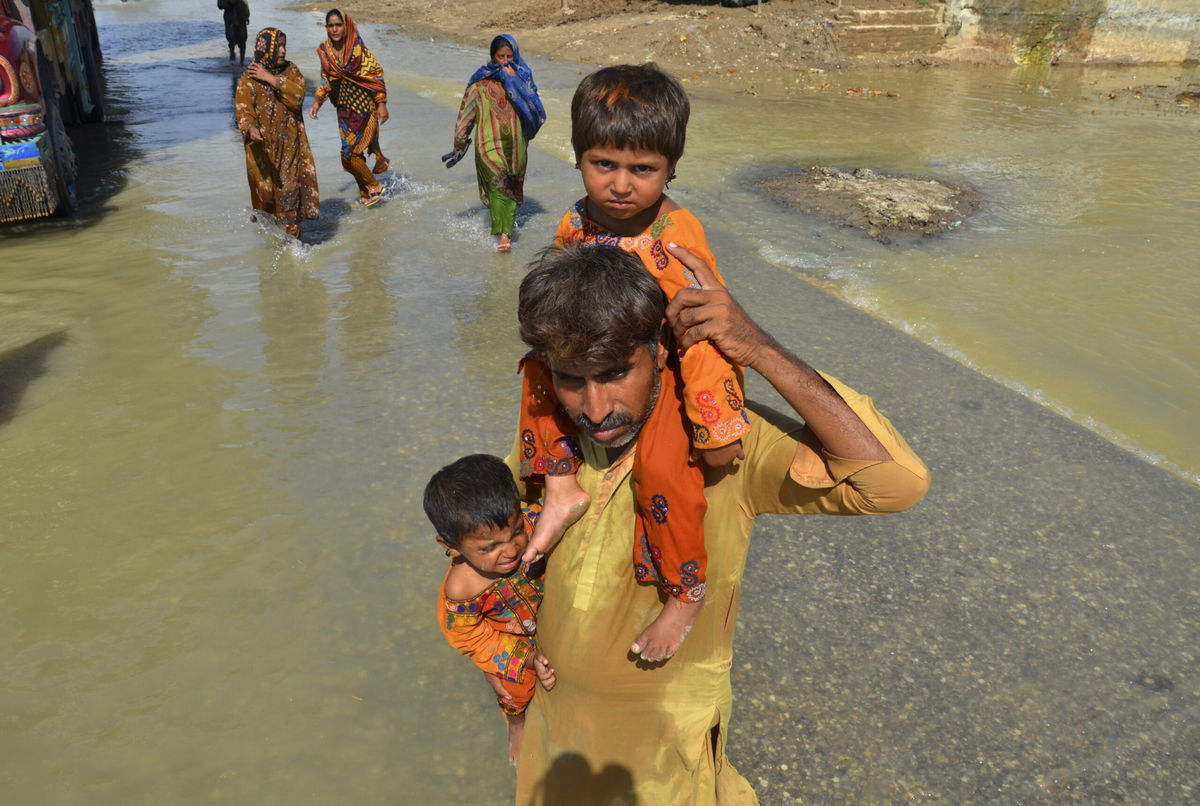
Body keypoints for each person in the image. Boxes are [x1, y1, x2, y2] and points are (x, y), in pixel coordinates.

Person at [510, 244, 929, 802]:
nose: (594, 406)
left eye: (615, 374)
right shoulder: (553, 441)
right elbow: (504, 552)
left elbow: (892, 484)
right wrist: (514, 650)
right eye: (571, 379)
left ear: (659, 350)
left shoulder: (725, 448)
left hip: (663, 753)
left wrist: (759, 348)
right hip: (553, 735)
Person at [517, 64, 745, 663]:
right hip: (591, 358)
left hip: (667, 368)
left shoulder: (677, 239)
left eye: (642, 170)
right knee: (535, 374)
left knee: (666, 474)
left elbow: (706, 340)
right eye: (603, 165)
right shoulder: (575, 223)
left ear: (672, 167)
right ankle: (560, 485)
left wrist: (715, 427)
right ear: (576, 158)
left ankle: (685, 592)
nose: (621, 185)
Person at [424, 454, 558, 765]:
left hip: (537, 608)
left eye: (515, 532)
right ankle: (516, 725)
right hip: (504, 635)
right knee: (515, 688)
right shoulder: (463, 589)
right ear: (451, 546)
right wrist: (526, 658)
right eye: (489, 547)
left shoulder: (534, 521)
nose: (510, 550)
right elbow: (470, 638)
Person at [447, 34, 546, 252]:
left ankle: (504, 229)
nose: (505, 61)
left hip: (516, 146)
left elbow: (536, 110)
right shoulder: (479, 84)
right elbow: (466, 117)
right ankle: (504, 235)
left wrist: (515, 82)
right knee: (497, 180)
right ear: (493, 57)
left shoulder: (523, 80)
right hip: (486, 145)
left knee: (510, 186)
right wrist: (458, 145)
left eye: (509, 56)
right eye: (500, 56)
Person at [234, 28, 320, 239]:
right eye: (277, 46)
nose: (282, 51)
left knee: (290, 197)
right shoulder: (249, 77)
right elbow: (243, 110)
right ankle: (274, 254)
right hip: (262, 152)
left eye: (284, 46)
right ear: (266, 48)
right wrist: (250, 129)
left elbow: (298, 97)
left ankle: (295, 251)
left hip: (290, 149)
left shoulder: (292, 71)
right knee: (266, 201)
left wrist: (272, 79)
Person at [309, 9, 390, 208]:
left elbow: (376, 76)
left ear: (346, 26)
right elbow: (325, 79)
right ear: (326, 27)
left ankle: (374, 186)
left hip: (364, 108)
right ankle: (365, 195)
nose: (335, 29)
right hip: (344, 111)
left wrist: (381, 104)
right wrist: (317, 103)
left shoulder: (358, 50)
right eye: (331, 25)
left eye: (338, 25)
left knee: (351, 154)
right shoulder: (325, 51)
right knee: (349, 156)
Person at [217, 0, 250, 65]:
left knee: (242, 40)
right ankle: (232, 53)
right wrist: (229, 2)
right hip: (230, 17)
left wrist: (247, 16)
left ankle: (241, 62)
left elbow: (245, 4)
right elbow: (220, 5)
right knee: (231, 38)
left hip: (241, 16)